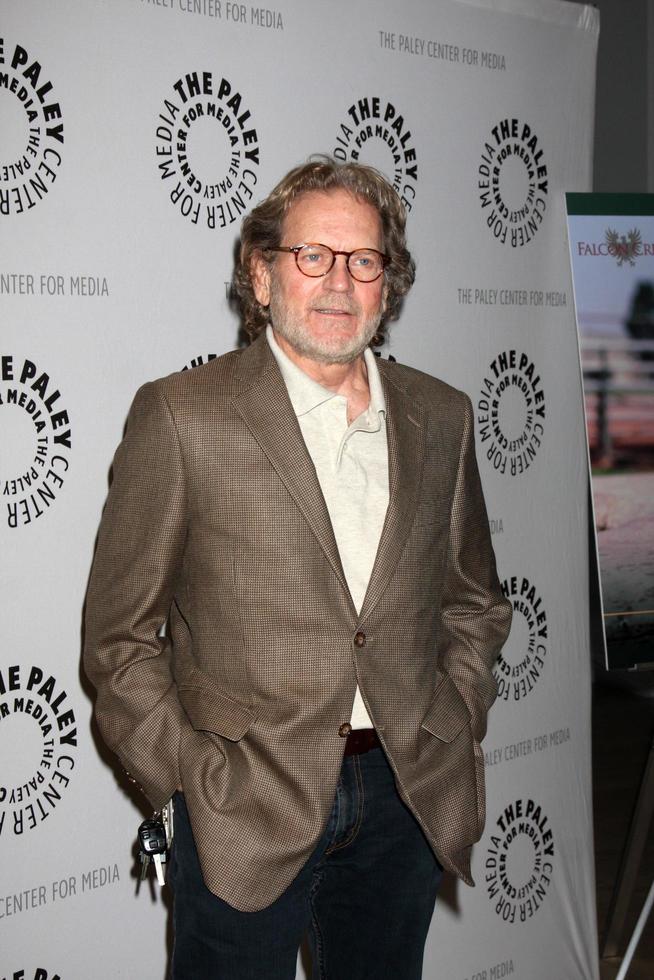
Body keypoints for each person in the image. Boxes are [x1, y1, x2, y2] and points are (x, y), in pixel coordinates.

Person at [84, 157, 512, 980]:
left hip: (403, 794)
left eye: (364, 260)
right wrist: (187, 783)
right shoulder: (181, 416)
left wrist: (452, 712)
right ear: (263, 274)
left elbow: (474, 602)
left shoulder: (442, 415)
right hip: (241, 799)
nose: (340, 282)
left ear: (389, 285)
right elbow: (119, 639)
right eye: (313, 255)